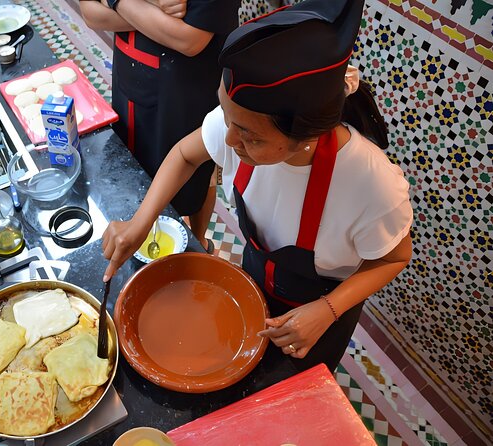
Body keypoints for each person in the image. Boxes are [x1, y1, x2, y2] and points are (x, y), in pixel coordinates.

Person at [101, 0, 413, 382]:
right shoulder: (237, 122)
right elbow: (185, 154)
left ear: (304, 137)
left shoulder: (371, 184)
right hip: (255, 276)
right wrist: (140, 223)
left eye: (249, 135)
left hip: (322, 308)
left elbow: (393, 258)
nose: (229, 139)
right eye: (226, 116)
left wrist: (327, 310)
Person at [79, 0, 241, 250]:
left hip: (189, 87)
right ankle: (137, 227)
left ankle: (198, 242)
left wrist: (116, 2)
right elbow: (90, 13)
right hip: (132, 71)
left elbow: (190, 40)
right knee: (133, 162)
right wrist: (155, 10)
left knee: (199, 169)